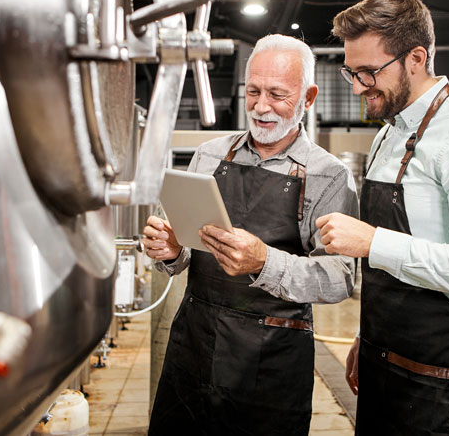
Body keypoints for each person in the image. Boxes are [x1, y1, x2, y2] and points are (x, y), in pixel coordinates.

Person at [316, 0, 449, 435]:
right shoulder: (387, 135)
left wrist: (376, 243)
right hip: (384, 359)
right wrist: (368, 337)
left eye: (369, 72)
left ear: (416, 57)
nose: (357, 87)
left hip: (448, 378)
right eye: (350, 72)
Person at [144, 34, 359, 435]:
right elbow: (180, 255)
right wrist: (169, 251)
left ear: (308, 98)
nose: (261, 107)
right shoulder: (209, 155)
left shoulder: (329, 175)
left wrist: (265, 262)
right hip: (194, 347)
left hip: (270, 366)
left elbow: (340, 278)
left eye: (277, 94)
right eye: (254, 91)